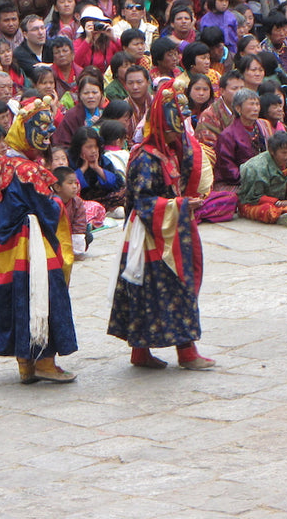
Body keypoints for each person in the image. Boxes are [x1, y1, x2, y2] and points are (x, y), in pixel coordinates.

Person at [108, 76, 214, 369]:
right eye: (171, 128)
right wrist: (180, 205)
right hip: (152, 236)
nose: (175, 134)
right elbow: (142, 201)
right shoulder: (145, 158)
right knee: (164, 290)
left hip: (171, 228)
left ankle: (156, 351)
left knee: (172, 288)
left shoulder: (168, 153)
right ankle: (181, 353)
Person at [0, 97, 77, 384]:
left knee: (15, 297)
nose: (47, 136)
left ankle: (25, 364)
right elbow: (49, 207)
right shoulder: (31, 171)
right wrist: (58, 203)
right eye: (41, 128)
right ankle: (45, 362)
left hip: (2, 246)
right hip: (33, 245)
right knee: (44, 297)